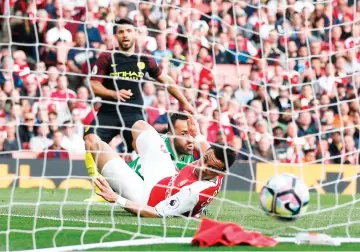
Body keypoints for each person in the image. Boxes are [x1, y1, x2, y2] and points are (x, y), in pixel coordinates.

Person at [84, 18, 194, 201]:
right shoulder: (106, 57)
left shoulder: (145, 58)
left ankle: (163, 184)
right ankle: (100, 190)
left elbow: (166, 80)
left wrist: (185, 101)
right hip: (109, 112)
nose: (125, 34)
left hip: (133, 113)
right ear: (115, 36)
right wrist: (114, 94)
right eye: (121, 32)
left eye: (128, 31)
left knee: (144, 140)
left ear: (135, 33)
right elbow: (94, 85)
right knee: (90, 140)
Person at [85, 117, 236, 217]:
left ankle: (124, 182)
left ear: (221, 172)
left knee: (96, 146)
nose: (203, 167)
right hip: (165, 177)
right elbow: (203, 144)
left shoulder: (194, 193)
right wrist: (196, 132)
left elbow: (156, 213)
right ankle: (138, 164)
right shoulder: (214, 157)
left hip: (147, 200)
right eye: (204, 160)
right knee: (140, 126)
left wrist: (117, 198)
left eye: (211, 168)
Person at [129, 113, 195, 180]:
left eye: (192, 134)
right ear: (170, 136)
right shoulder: (158, 146)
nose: (191, 140)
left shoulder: (186, 148)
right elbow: (139, 125)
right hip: (131, 181)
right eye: (183, 134)